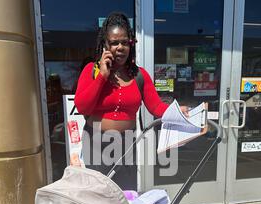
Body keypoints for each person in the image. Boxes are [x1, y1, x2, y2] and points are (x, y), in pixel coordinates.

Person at [74, 12, 189, 190]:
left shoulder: (139, 75)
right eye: (114, 42)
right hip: (95, 143)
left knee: (126, 193)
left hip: (126, 144)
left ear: (130, 44)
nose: (120, 47)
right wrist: (103, 76)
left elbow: (156, 106)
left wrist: (176, 111)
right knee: (97, 195)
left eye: (124, 42)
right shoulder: (92, 70)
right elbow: (82, 107)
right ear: (104, 45)